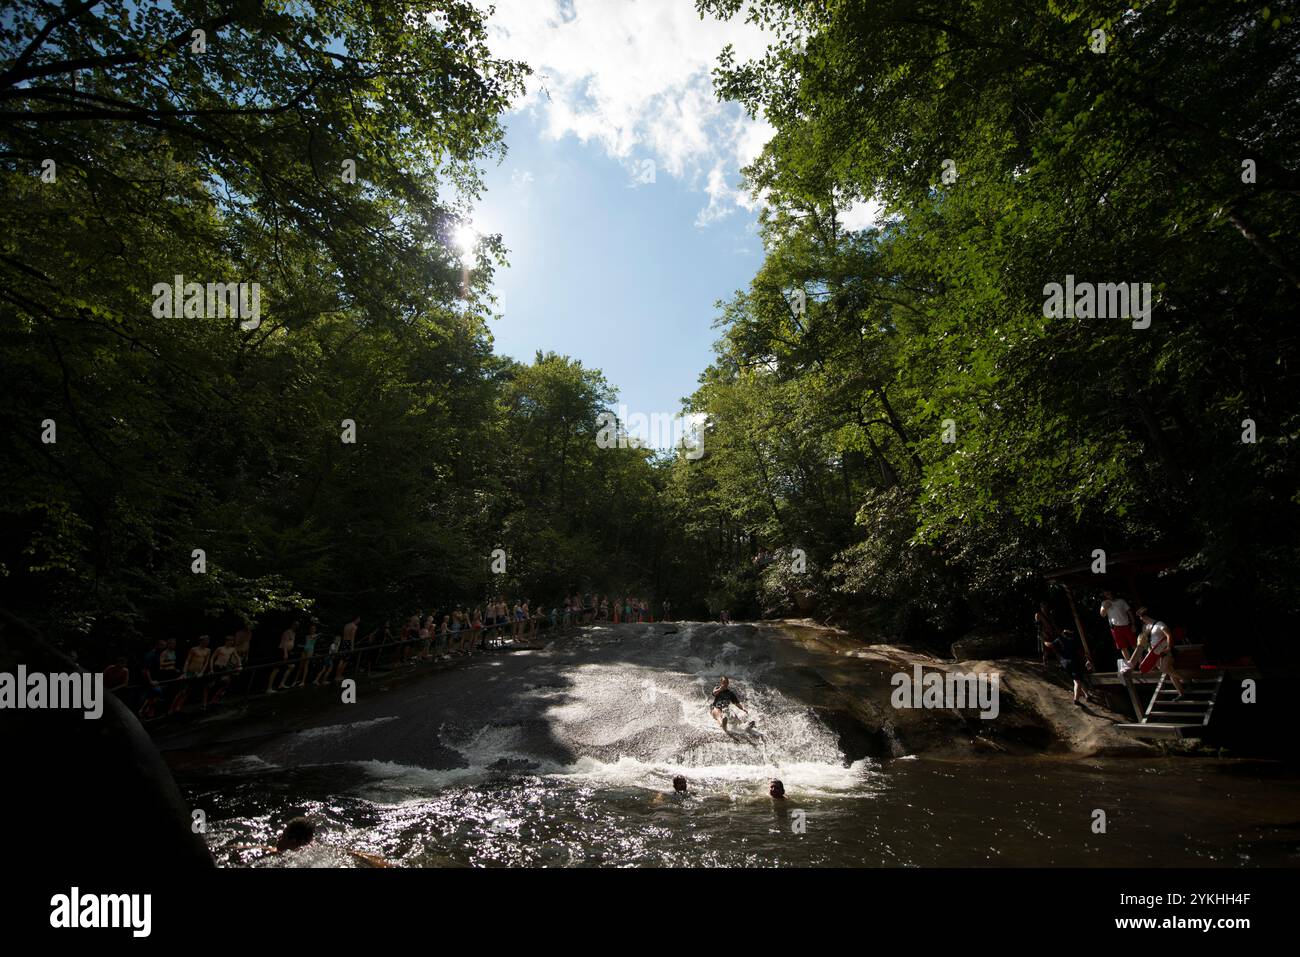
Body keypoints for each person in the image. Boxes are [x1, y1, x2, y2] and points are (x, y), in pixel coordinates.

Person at [1136, 607, 1187, 698]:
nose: (1141, 619)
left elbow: (1169, 635)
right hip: (1156, 653)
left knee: (1164, 669)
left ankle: (1186, 680)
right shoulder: (1148, 627)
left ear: (1146, 616)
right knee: (1170, 671)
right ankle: (1181, 693)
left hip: (1165, 651)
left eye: (1141, 617)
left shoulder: (1160, 624)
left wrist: (1168, 647)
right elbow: (1146, 640)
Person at [1044, 627, 1089, 705]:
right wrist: (1087, 660)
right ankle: (1076, 699)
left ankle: (1086, 695)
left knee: (1076, 681)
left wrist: (1044, 642)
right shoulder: (1075, 641)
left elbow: (1050, 645)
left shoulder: (1060, 639)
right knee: (1078, 681)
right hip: (1074, 662)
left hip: (1065, 664)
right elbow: (1081, 652)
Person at [1100, 591, 1138, 664]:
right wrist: (1105, 607)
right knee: (1123, 647)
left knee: (1134, 644)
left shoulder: (1121, 601)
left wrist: (1133, 624)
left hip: (1126, 625)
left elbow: (1129, 612)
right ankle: (1130, 665)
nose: (1108, 595)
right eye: (1106, 594)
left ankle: (1141, 662)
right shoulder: (1104, 603)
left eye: (1108, 593)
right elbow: (1102, 614)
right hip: (1115, 628)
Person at [266, 621, 298, 693]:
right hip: (282, 651)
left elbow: (290, 643)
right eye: (295, 625)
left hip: (288, 652)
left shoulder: (294, 633)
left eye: (297, 625)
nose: (296, 626)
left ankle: (281, 683)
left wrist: (290, 651)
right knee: (276, 669)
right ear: (292, 625)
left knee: (291, 666)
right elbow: (285, 642)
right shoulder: (287, 632)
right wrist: (285, 653)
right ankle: (268, 688)